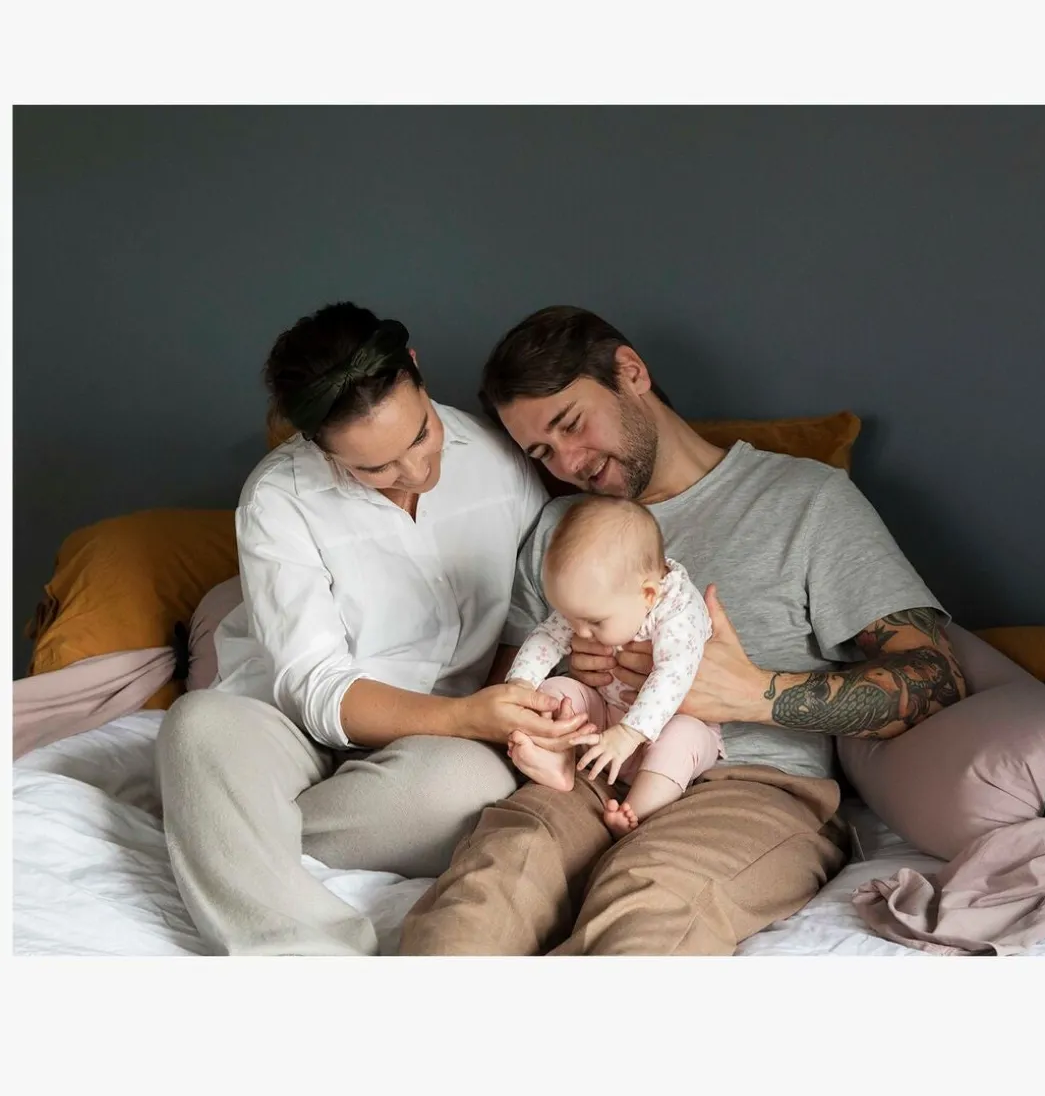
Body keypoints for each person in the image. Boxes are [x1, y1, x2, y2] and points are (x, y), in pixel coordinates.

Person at [400, 305, 967, 956]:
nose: (569, 462)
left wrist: (756, 693)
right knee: (488, 885)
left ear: (631, 372)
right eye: (542, 452)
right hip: (588, 770)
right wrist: (565, 681)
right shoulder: (561, 528)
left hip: (749, 784)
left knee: (649, 903)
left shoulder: (807, 501)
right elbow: (504, 687)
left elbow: (938, 680)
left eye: (571, 424)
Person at [156, 301, 589, 956]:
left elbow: (530, 613)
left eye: (419, 435)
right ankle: (306, 956)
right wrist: (467, 717)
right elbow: (315, 686)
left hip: (433, 747)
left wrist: (503, 707)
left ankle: (228, 825)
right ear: (315, 443)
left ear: (414, 366)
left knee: (474, 788)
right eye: (373, 467)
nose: (415, 472)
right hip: (290, 727)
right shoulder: (277, 498)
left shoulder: (501, 460)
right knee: (195, 726)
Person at [504, 496, 723, 837]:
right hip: (607, 716)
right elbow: (548, 636)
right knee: (554, 691)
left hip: (666, 729)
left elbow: (673, 675)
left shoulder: (680, 609)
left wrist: (630, 733)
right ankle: (559, 762)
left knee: (683, 738)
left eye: (594, 622)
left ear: (647, 595)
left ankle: (639, 809)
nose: (580, 632)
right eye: (571, 618)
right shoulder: (596, 601)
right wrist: (521, 684)